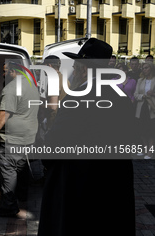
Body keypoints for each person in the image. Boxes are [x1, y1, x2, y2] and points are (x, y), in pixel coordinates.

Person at [38, 38, 136, 236]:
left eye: (75, 67)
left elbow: (53, 149)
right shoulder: (122, 99)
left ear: (84, 70)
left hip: (80, 188)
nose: (73, 72)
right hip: (113, 187)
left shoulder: (77, 98)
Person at [0, 61, 40, 217]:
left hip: (12, 138)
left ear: (14, 72)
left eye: (5, 71)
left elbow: (4, 114)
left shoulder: (11, 89)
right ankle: (23, 196)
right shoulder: (31, 85)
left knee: (9, 171)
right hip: (28, 136)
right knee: (22, 166)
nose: (4, 75)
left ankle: (10, 206)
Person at [134, 62, 155, 159]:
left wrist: (153, 94)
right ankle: (145, 149)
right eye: (143, 68)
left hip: (152, 107)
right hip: (141, 106)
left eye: (146, 68)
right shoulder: (140, 80)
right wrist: (142, 96)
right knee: (142, 130)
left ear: (151, 68)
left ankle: (150, 152)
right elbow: (135, 94)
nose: (144, 70)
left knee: (150, 130)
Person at [43, 55, 69, 130]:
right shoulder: (63, 78)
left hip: (53, 123)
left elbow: (53, 106)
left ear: (49, 66)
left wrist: (40, 104)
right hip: (62, 120)